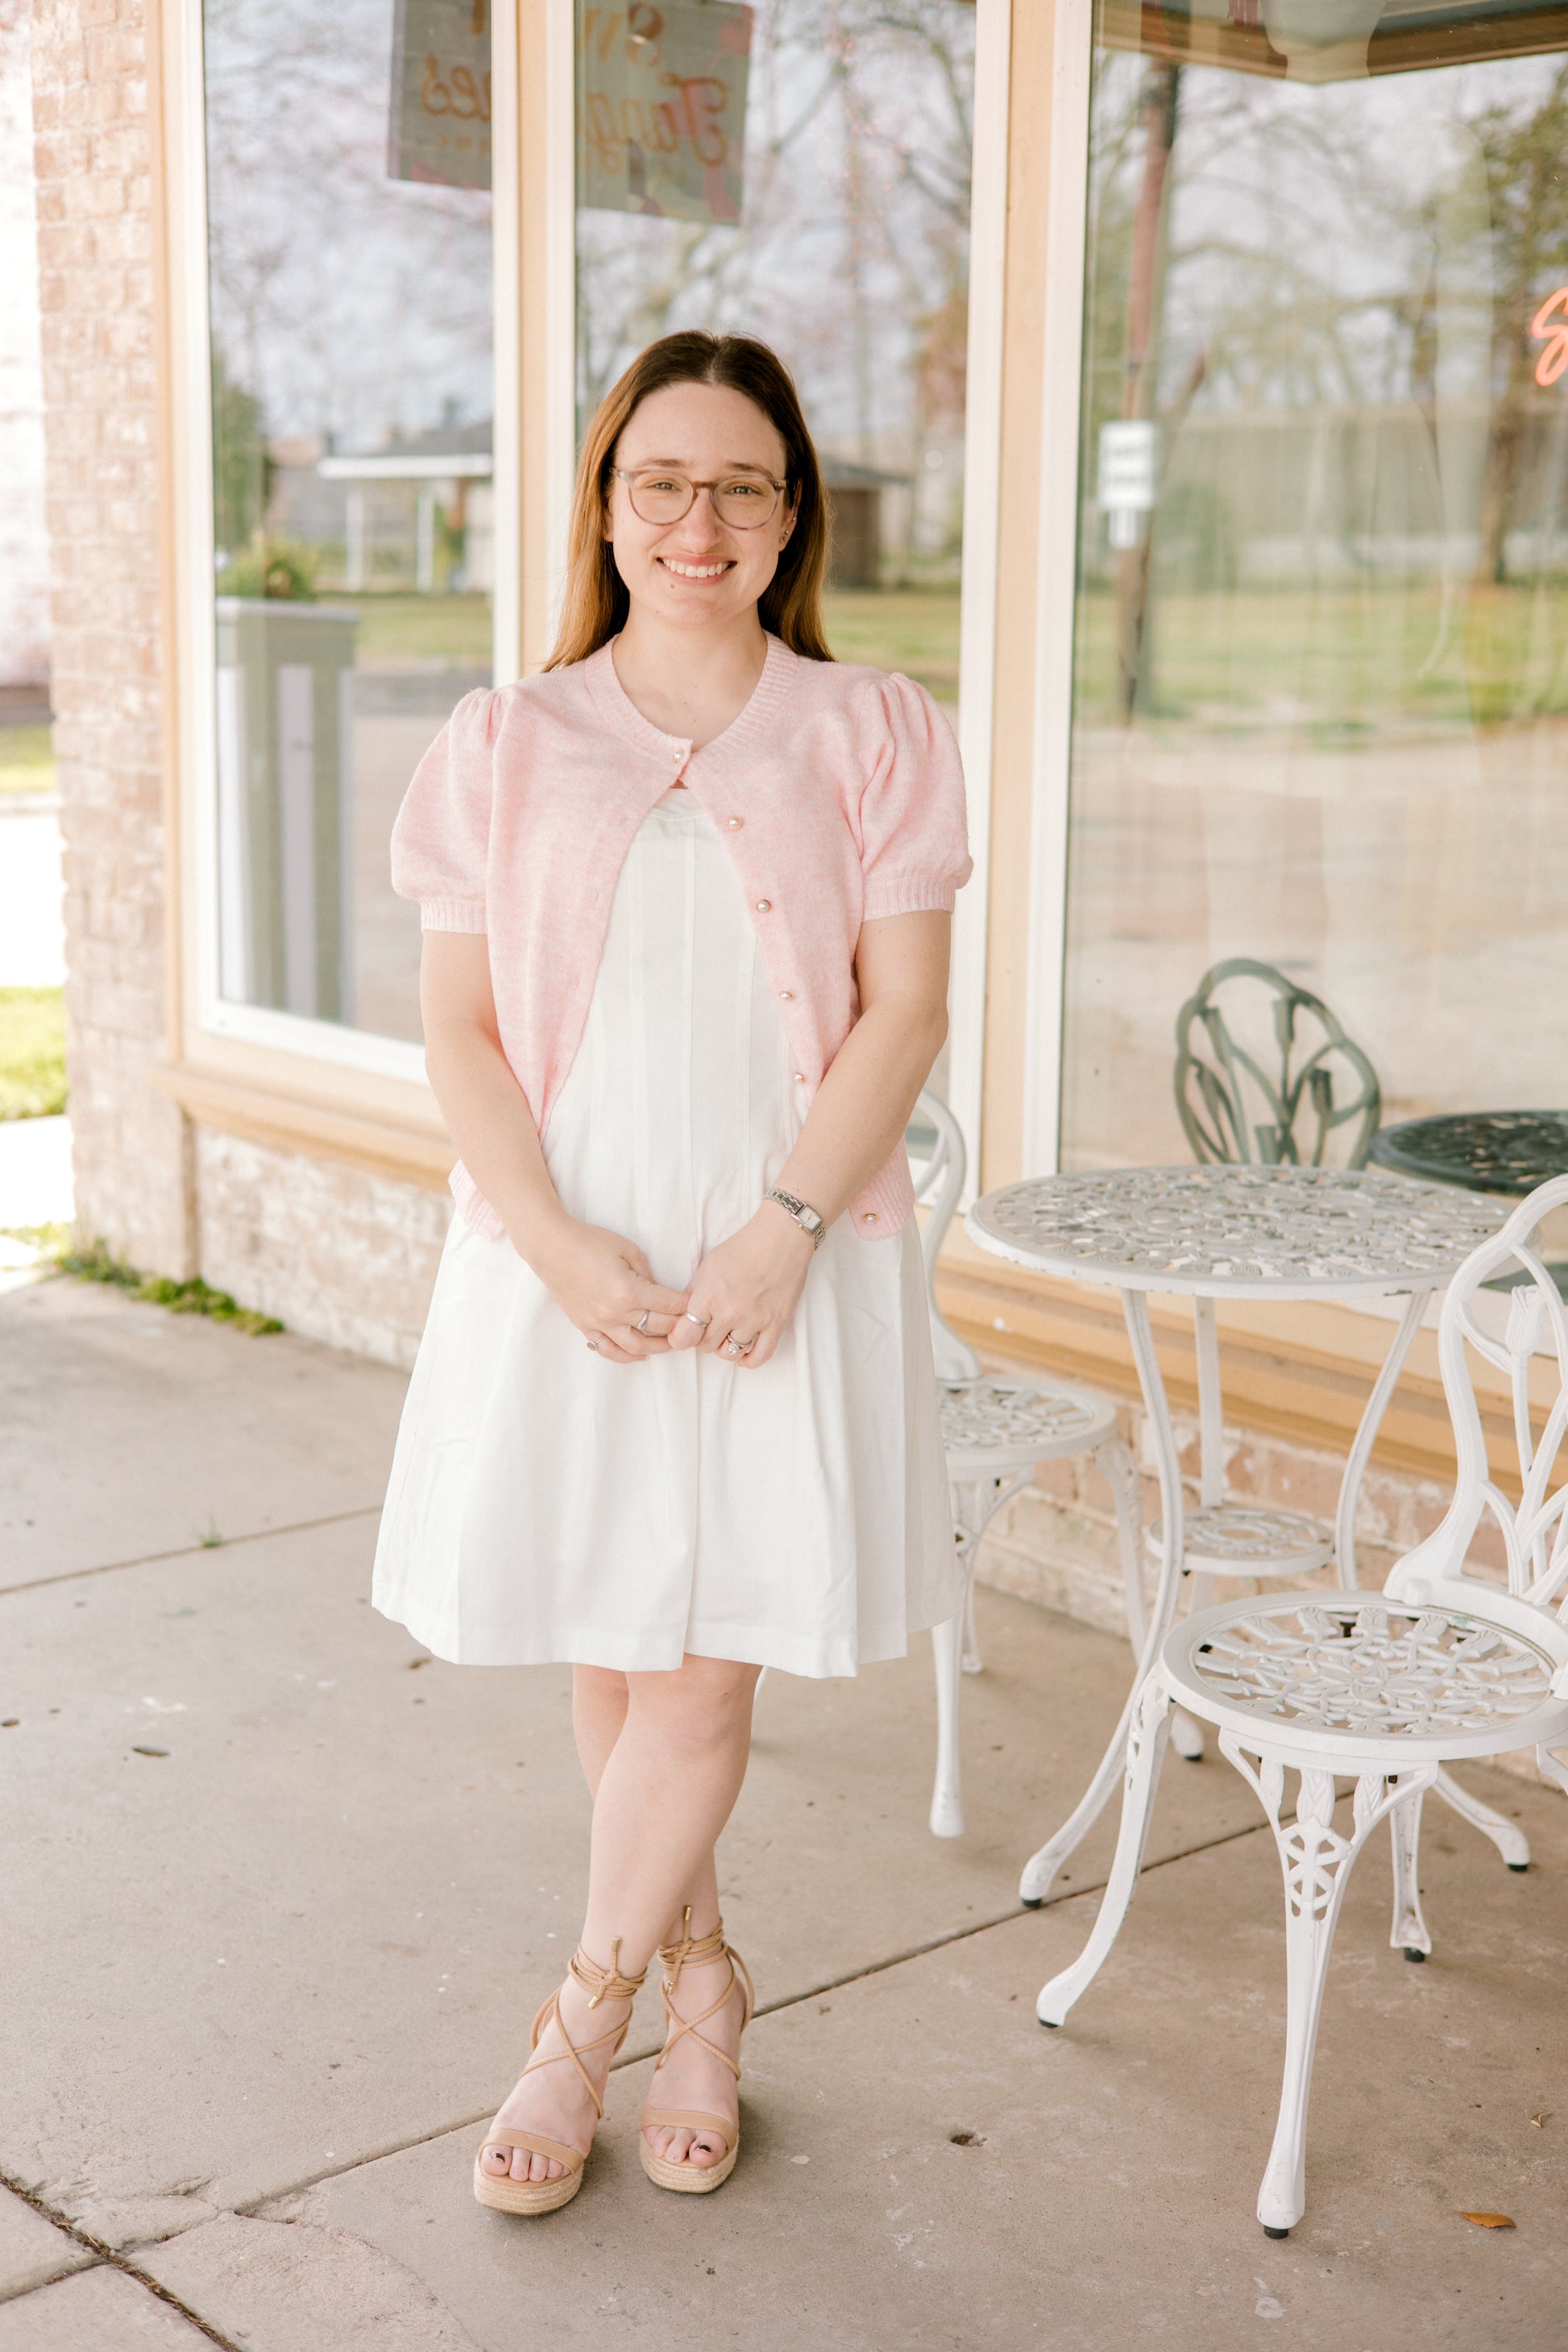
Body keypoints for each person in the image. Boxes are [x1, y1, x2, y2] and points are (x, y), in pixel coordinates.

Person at [373, 330, 970, 2215]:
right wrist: (555, 1246)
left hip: (780, 1245)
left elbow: (905, 1010)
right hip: (577, 1254)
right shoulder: (506, 738)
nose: (699, 518)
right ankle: (709, 1986)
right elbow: (461, 1031)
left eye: (740, 482)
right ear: (609, 508)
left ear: (790, 512)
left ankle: (581, 2021)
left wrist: (784, 1231)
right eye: (663, 481)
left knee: (704, 1677)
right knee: (625, 1656)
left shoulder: (872, 726)